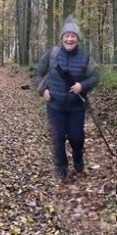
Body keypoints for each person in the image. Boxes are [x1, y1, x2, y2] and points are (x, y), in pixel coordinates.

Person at [34, 17, 99, 181]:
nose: (70, 39)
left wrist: (82, 86)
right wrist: (43, 90)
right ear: (62, 38)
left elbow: (95, 77)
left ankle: (78, 157)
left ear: (78, 39)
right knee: (57, 137)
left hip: (76, 107)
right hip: (55, 105)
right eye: (67, 35)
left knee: (77, 138)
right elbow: (38, 73)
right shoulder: (52, 54)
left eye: (73, 36)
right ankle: (61, 167)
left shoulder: (85, 57)